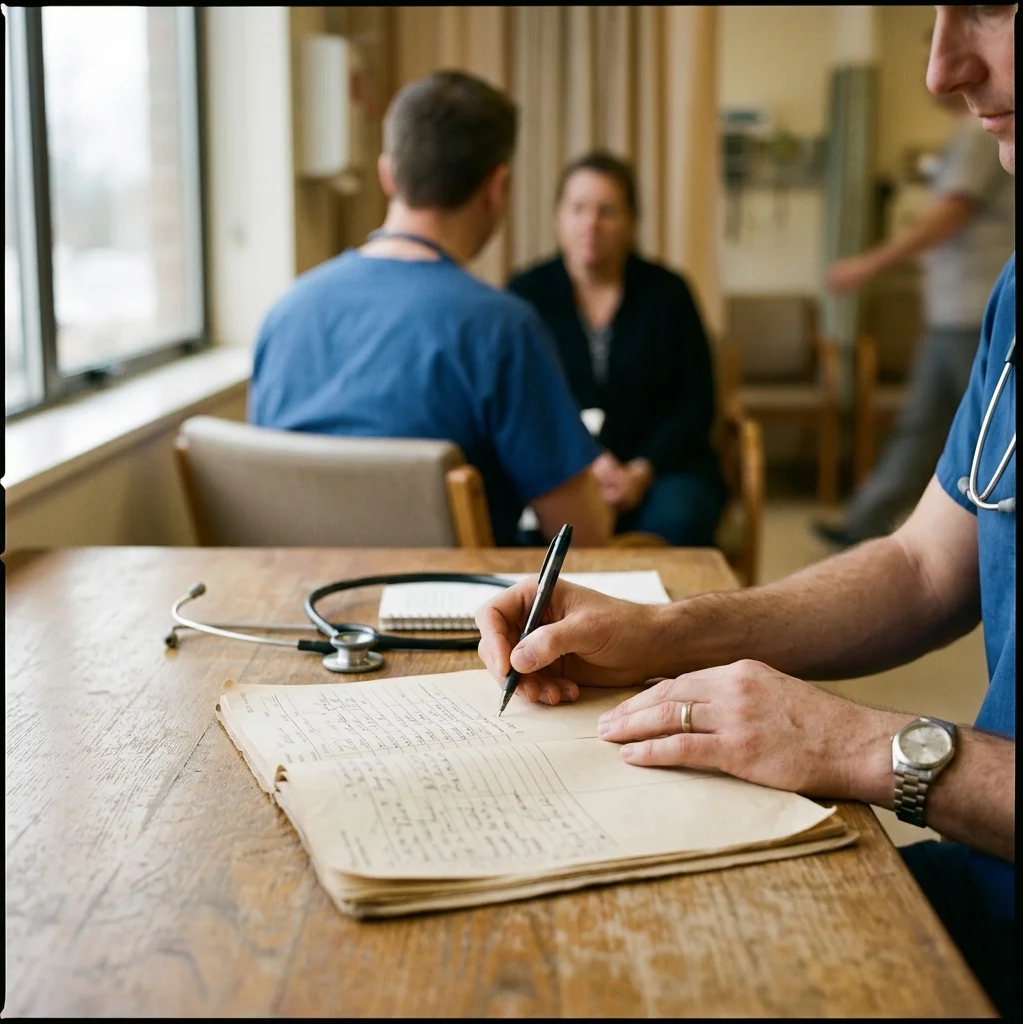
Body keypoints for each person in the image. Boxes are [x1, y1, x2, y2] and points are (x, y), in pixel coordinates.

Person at [475, 5, 1015, 1015]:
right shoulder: (1015, 297)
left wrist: (857, 745)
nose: (942, 67)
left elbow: (690, 414)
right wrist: (665, 634)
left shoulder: (667, 295)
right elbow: (920, 566)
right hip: (977, 883)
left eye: (993, 7)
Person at [248, 70, 611, 548]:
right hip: (459, 618)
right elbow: (582, 537)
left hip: (297, 610)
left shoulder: (284, 316)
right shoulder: (501, 329)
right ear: (497, 187)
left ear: (387, 175)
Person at [814, 42, 1014, 548]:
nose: (936, 71)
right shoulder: (964, 137)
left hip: (973, 316)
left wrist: (866, 266)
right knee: (923, 430)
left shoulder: (976, 134)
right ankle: (868, 523)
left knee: (963, 438)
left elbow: (943, 220)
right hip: (953, 314)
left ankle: (912, 532)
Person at [507, 151, 727, 547]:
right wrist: (586, 463)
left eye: (607, 211)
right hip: (561, 469)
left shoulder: (669, 292)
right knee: (526, 534)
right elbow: (522, 402)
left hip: (662, 467)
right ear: (559, 217)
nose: (590, 225)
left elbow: (697, 402)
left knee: (678, 519)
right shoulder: (526, 295)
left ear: (631, 222)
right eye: (578, 209)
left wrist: (641, 471)